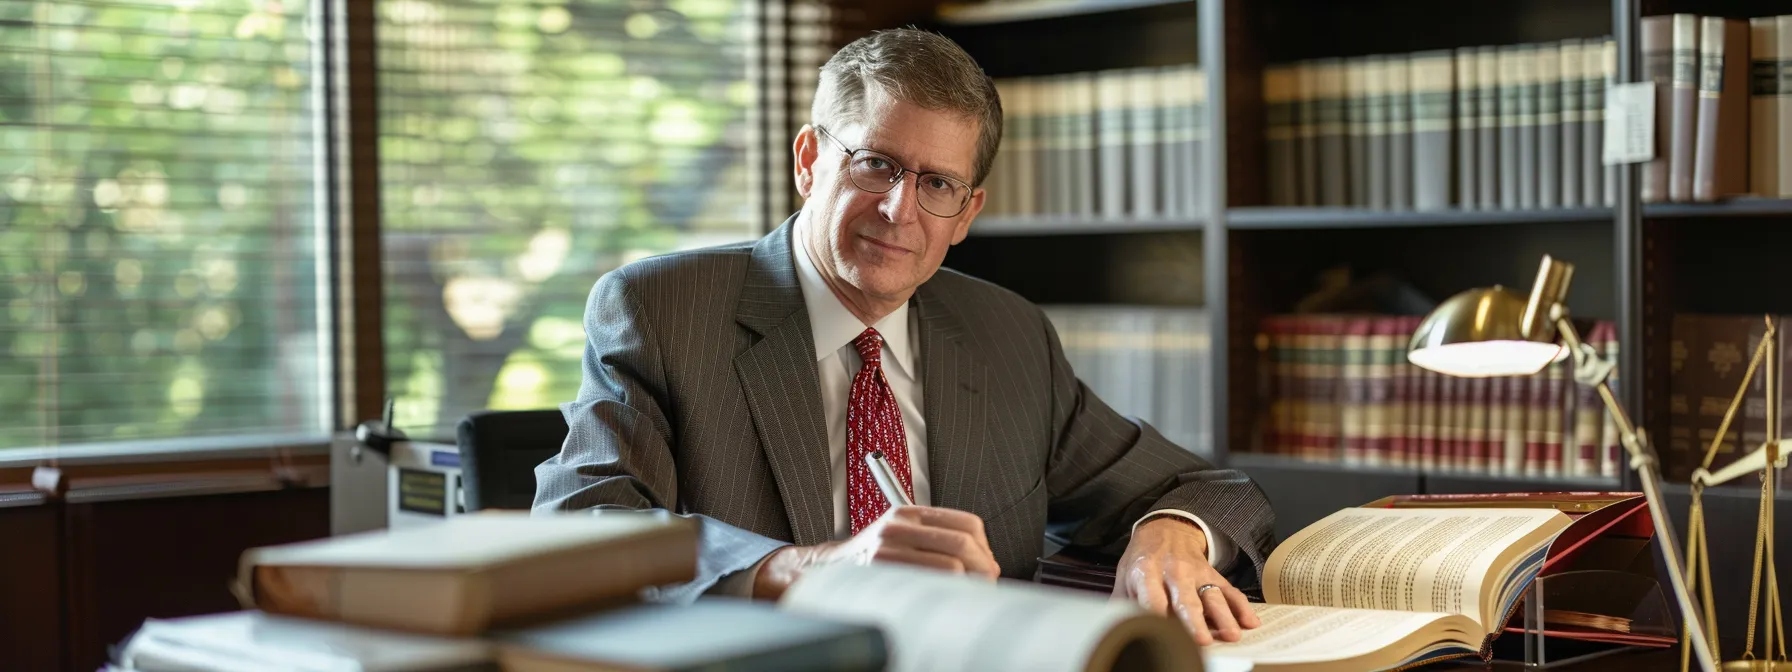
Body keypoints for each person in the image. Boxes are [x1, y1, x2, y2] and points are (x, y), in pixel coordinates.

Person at [533, 28, 1273, 645]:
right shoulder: (661, 309)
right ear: (808, 161)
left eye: (937, 184)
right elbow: (579, 532)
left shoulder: (1005, 333)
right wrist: (808, 570)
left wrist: (1169, 531)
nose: (898, 209)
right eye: (875, 163)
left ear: (968, 212)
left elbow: (1210, 487)